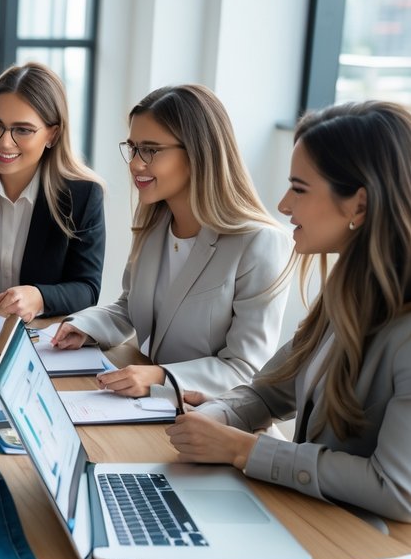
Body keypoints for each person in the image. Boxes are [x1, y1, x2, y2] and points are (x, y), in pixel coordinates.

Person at [168, 101, 411, 522]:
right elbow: (269, 390)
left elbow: (395, 489)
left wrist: (241, 448)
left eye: (299, 188)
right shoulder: (348, 294)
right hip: (310, 518)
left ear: (359, 205)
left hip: (362, 552)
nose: (283, 205)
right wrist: (217, 416)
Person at [52, 84, 291, 396]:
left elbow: (245, 369)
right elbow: (132, 306)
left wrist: (159, 378)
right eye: (133, 148)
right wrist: (84, 327)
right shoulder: (154, 220)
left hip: (212, 421)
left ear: (197, 153)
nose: (136, 163)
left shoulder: (259, 243)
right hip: (152, 409)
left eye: (151, 150)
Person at [0, 62, 105, 319]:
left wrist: (39, 297)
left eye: (23, 130)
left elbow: (87, 288)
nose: (4, 142)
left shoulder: (82, 194)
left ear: (53, 135)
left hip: (42, 338)